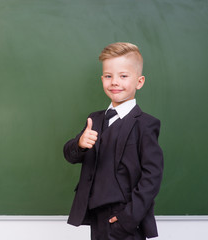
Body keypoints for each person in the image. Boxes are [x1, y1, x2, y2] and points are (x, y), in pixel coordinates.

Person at [63, 42, 164, 240]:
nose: (114, 82)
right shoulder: (95, 119)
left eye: (123, 76)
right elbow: (69, 154)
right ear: (102, 79)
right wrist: (80, 144)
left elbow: (152, 177)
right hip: (96, 215)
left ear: (139, 81)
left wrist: (127, 218)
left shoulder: (146, 124)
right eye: (108, 76)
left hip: (126, 218)